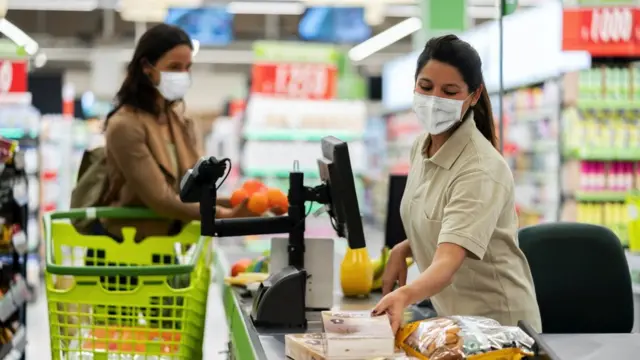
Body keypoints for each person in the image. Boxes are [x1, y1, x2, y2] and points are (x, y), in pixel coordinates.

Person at [371, 35, 542, 333]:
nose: (435, 100)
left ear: (474, 97)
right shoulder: (421, 146)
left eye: (449, 92)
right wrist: (404, 248)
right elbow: (445, 222)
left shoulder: (480, 168)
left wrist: (404, 295)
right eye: (426, 87)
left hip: (501, 329)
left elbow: (448, 262)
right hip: (458, 323)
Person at [98, 24, 255, 241]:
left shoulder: (183, 122)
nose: (183, 75)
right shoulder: (125, 126)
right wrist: (223, 214)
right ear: (146, 67)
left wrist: (242, 203)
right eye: (174, 67)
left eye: (187, 67)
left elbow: (194, 192)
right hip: (129, 250)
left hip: (174, 247)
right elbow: (161, 199)